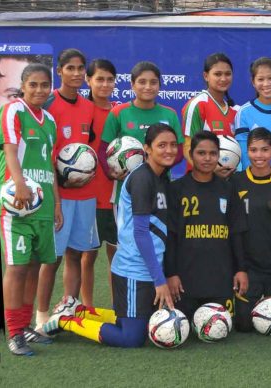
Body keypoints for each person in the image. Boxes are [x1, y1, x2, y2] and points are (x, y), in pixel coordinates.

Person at [42, 124, 178, 348]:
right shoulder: (143, 178)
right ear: (147, 149)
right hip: (134, 269)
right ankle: (67, 320)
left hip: (149, 267)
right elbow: (141, 233)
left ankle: (79, 310)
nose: (169, 150)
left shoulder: (161, 178)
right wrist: (159, 279)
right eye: (161, 145)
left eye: (173, 145)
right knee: (132, 338)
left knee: (140, 323)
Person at [0, 63, 61, 355]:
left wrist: (57, 204)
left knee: (35, 265)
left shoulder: (49, 119)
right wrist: (19, 183)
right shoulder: (14, 110)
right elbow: (10, 149)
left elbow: (50, 164)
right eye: (33, 84)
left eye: (44, 85)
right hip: (18, 205)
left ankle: (26, 327)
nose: (39, 90)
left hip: (44, 205)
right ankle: (13, 332)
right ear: (23, 86)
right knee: (16, 267)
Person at [35, 49, 96, 331]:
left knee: (75, 253)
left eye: (80, 68)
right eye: (70, 68)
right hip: (57, 195)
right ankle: (41, 315)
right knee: (52, 257)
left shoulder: (88, 106)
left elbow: (89, 152)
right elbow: (45, 155)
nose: (76, 73)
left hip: (85, 194)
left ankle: (68, 305)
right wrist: (58, 191)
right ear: (59, 71)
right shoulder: (48, 104)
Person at [165, 131, 248, 320]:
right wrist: (171, 273)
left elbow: (236, 232)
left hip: (219, 280)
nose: (208, 158)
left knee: (219, 329)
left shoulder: (228, 189)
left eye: (213, 153)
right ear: (191, 154)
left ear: (219, 156)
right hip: (185, 282)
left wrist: (241, 269)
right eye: (201, 153)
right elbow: (170, 236)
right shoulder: (176, 189)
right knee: (183, 327)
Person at [231, 128, 271, 332]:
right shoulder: (236, 182)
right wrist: (239, 269)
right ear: (247, 151)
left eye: (264, 150)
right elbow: (233, 231)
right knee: (243, 325)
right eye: (253, 150)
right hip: (249, 268)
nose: (259, 155)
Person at [99, 61, 183, 202]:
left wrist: (158, 167)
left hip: (161, 187)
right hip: (127, 189)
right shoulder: (118, 113)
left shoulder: (170, 114)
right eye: (142, 82)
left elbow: (179, 151)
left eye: (153, 82)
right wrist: (111, 172)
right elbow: (102, 149)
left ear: (159, 85)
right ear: (132, 85)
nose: (148, 87)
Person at [80, 58, 118, 309]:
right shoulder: (81, 109)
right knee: (87, 255)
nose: (105, 84)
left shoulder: (119, 111)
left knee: (116, 256)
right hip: (87, 197)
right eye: (99, 79)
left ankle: (119, 307)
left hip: (115, 196)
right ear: (88, 80)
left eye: (109, 79)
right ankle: (87, 306)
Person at [181, 53, 237, 178]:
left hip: (227, 182)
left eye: (227, 74)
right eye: (217, 74)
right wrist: (210, 171)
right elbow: (187, 147)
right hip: (200, 181)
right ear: (206, 76)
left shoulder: (236, 110)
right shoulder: (197, 105)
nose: (223, 78)